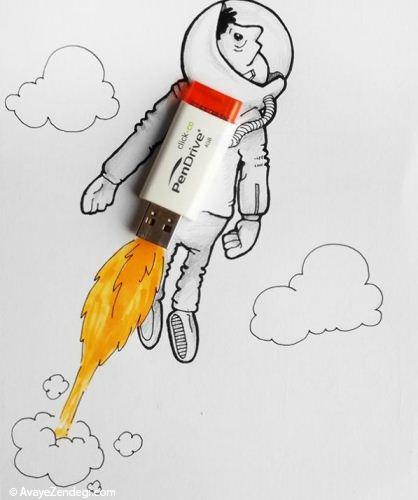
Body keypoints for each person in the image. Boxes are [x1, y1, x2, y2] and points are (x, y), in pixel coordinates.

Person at [81, 1, 293, 363]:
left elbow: (256, 165)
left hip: (215, 212)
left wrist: (251, 217)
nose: (251, 48)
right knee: (157, 259)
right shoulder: (186, 94)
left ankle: (184, 309)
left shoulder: (252, 117)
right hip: (167, 205)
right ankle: (151, 300)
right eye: (239, 38)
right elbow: (149, 132)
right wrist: (111, 177)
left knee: (196, 265)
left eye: (255, 41)